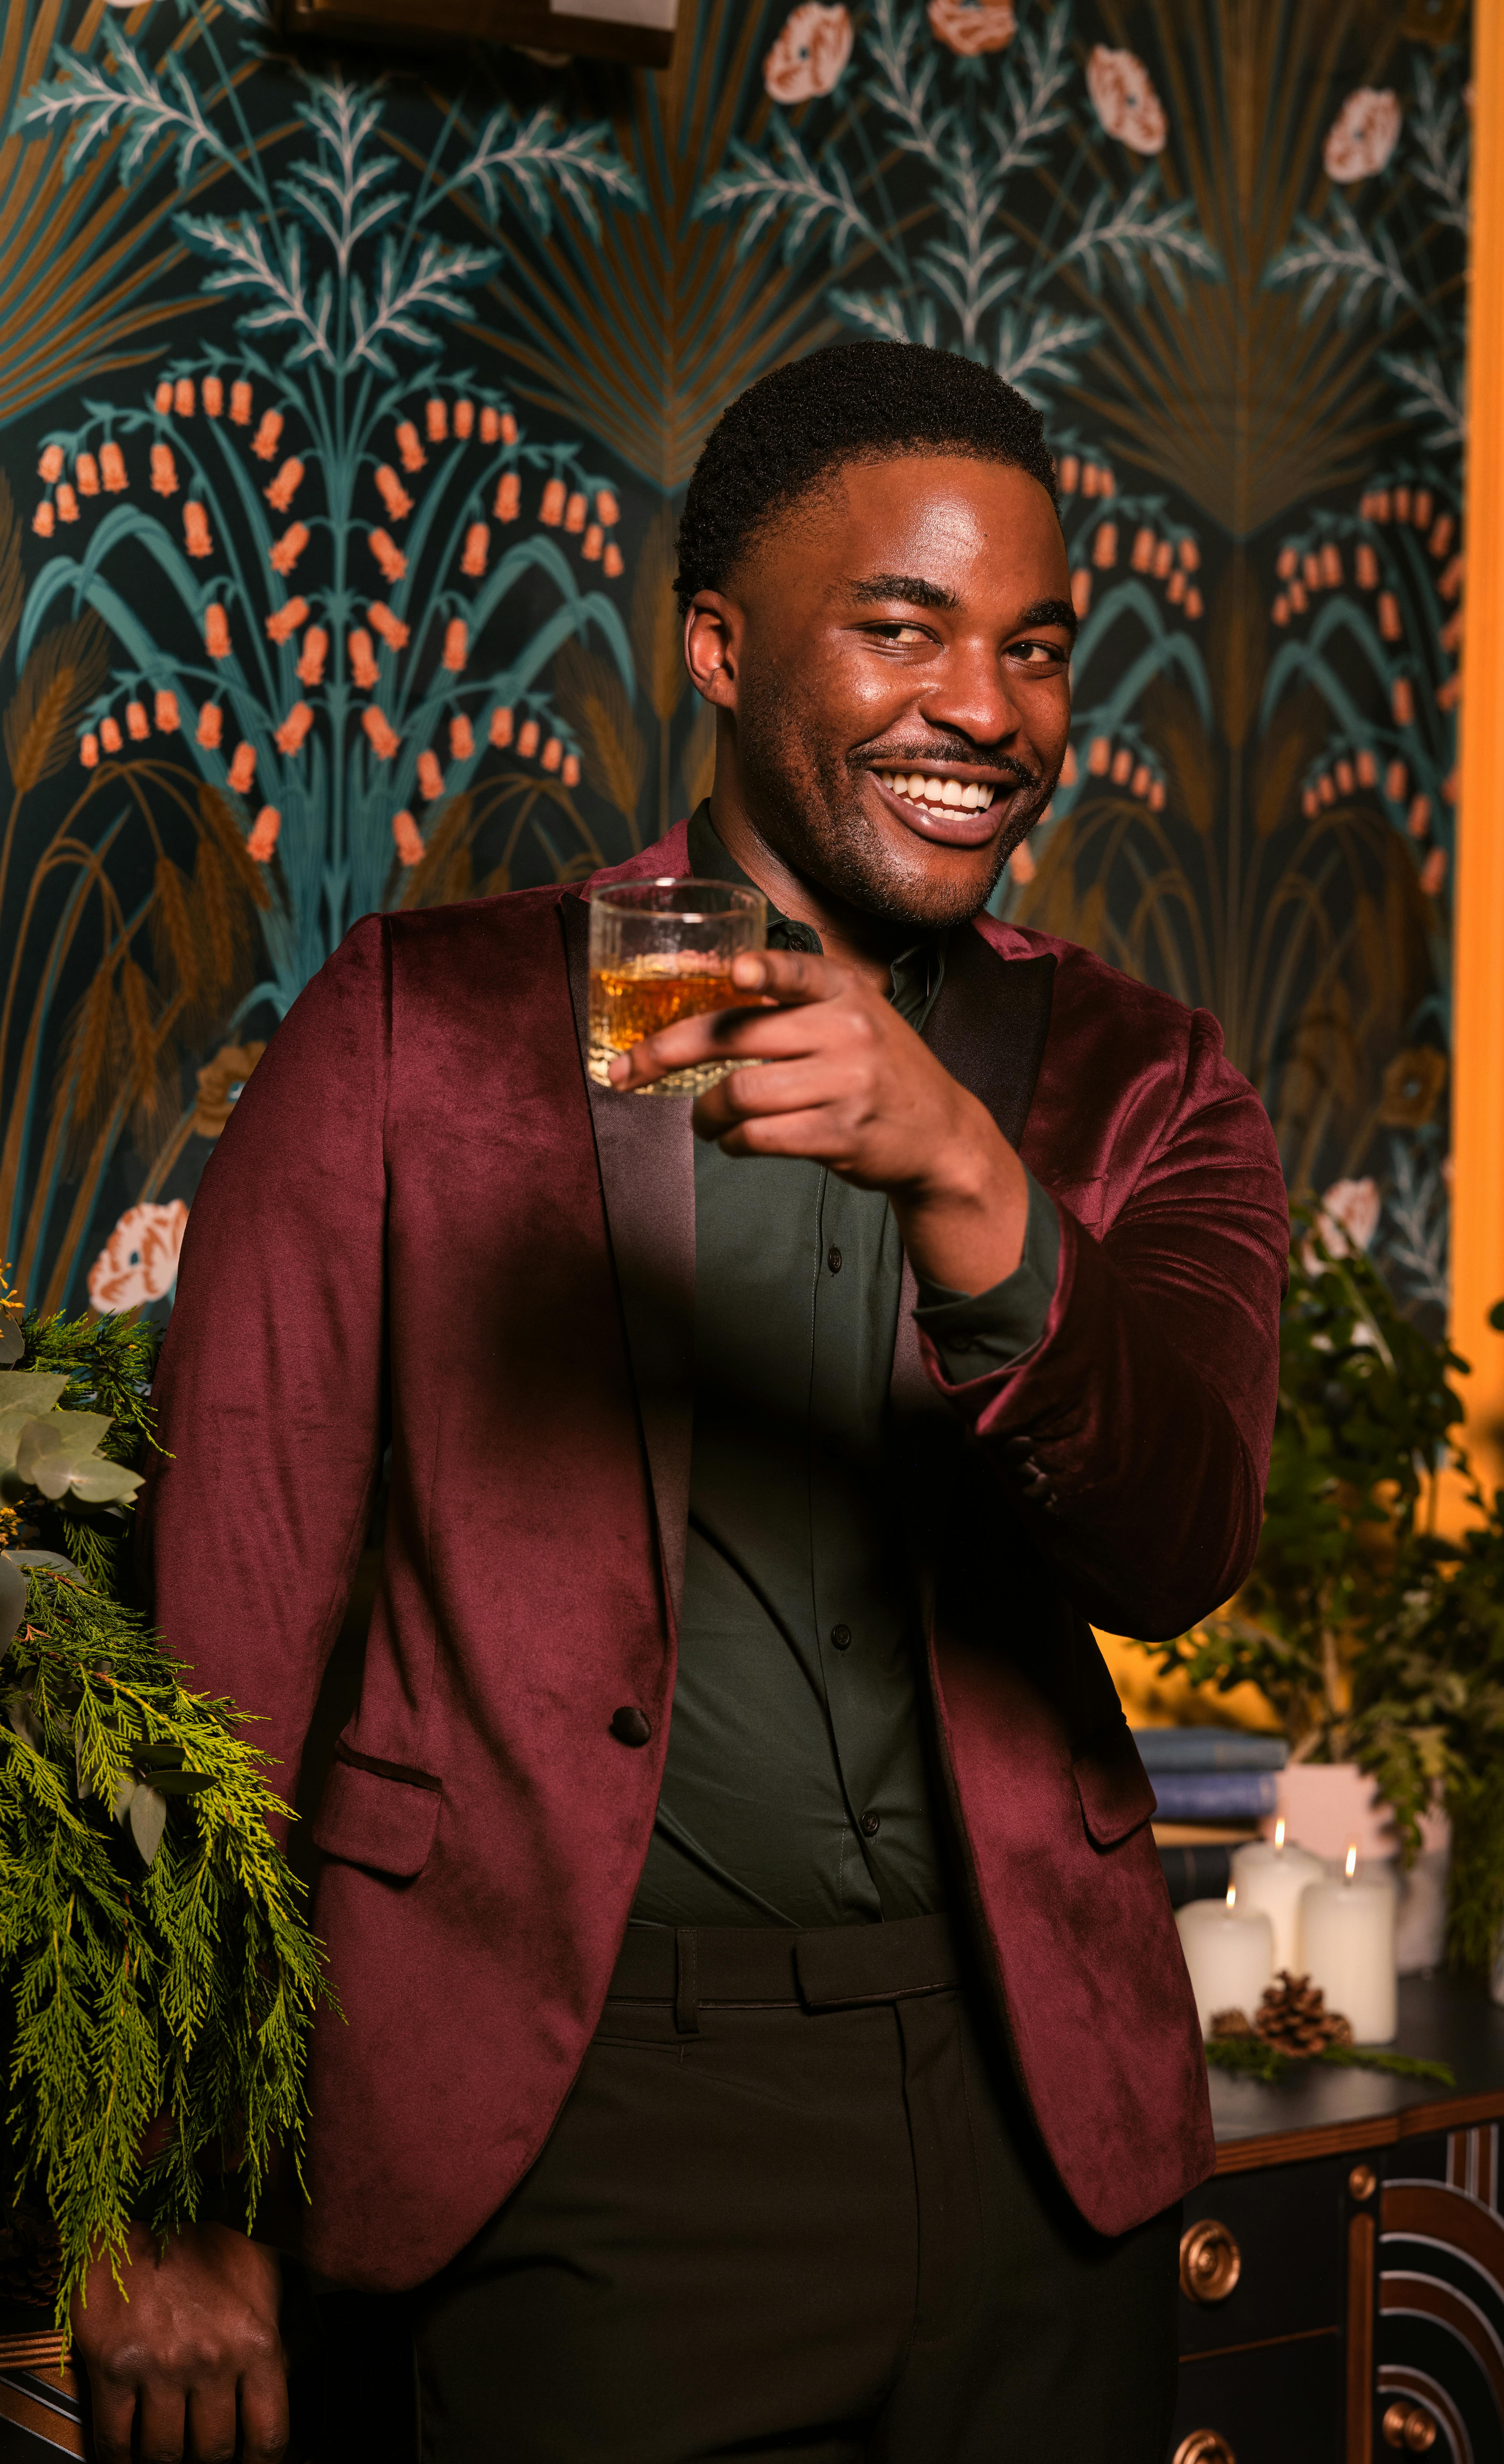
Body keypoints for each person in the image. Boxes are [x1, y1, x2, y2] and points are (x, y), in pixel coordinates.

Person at [91, 340, 1289, 2463]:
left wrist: (968, 1179)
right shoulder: (417, 1033)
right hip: (581, 2130)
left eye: (1032, 649)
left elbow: (1179, 1545)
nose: (987, 710)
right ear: (720, 648)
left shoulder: (1145, 1081)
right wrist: (168, 2183)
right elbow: (224, 1645)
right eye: (902, 629)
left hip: (1032, 2140)